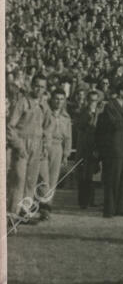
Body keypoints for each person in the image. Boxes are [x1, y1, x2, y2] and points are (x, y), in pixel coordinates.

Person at [6, 73, 48, 226]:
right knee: (18, 180)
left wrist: (44, 145)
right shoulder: (22, 102)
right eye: (37, 85)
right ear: (31, 86)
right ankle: (11, 215)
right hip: (23, 145)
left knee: (31, 181)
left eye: (42, 87)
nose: (39, 89)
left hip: (37, 146)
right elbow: (10, 127)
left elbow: (47, 127)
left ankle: (24, 213)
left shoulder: (43, 104)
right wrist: (19, 146)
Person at [95, 82, 123, 217]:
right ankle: (110, 209)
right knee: (113, 178)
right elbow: (116, 124)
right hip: (114, 147)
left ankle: (121, 208)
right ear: (121, 92)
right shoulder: (110, 106)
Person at [39, 88, 72, 220]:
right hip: (45, 147)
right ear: (51, 99)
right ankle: (43, 206)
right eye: (56, 99)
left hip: (58, 148)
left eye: (62, 99)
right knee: (44, 179)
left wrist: (66, 154)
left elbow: (68, 137)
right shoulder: (45, 113)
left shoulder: (66, 117)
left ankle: (46, 208)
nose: (59, 102)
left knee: (52, 180)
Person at [75, 89, 103, 209]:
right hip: (83, 147)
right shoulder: (83, 113)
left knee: (92, 174)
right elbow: (84, 127)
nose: (93, 103)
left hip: (94, 147)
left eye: (95, 101)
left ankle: (91, 200)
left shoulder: (99, 113)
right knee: (83, 175)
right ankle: (83, 202)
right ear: (87, 101)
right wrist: (94, 116)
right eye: (91, 100)